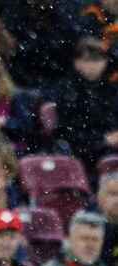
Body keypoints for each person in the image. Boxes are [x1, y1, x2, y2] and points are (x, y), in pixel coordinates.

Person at [50, 39, 118, 175]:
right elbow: (67, 130)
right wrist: (103, 139)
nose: (93, 65)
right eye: (87, 60)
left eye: (97, 60)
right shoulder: (68, 90)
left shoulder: (111, 89)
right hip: (82, 151)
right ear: (77, 62)